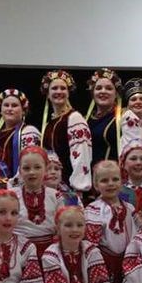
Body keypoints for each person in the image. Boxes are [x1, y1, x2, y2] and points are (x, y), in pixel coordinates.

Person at [85, 161, 137, 283]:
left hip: (128, 257)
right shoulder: (93, 209)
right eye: (104, 180)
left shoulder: (130, 208)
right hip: (105, 259)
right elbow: (91, 241)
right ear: (96, 185)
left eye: (115, 179)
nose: (111, 184)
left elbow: (138, 234)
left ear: (121, 183)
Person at [40, 70, 92, 198]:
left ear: (68, 93)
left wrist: (78, 187)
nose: (59, 91)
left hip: (70, 189)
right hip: (52, 186)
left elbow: (82, 155)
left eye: (63, 88)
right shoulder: (50, 123)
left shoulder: (74, 118)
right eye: (54, 88)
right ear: (48, 94)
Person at [11, 146, 65, 256]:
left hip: (49, 252)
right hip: (19, 251)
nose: (32, 172)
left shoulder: (55, 196)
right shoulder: (12, 195)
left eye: (37, 167)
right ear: (20, 171)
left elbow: (62, 225)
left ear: (45, 169)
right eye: (26, 168)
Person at [84, 68, 142, 164]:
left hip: (114, 176)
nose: (103, 91)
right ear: (92, 93)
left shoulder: (126, 117)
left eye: (109, 88)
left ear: (116, 94)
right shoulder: (86, 120)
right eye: (98, 88)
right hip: (90, 177)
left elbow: (135, 154)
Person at [0, 89, 40, 178]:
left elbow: (31, 163)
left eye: (14, 105)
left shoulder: (29, 132)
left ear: (23, 111)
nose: (10, 109)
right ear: (1, 111)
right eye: (6, 105)